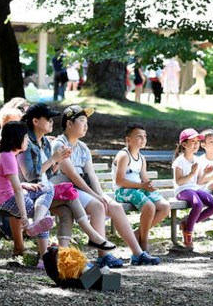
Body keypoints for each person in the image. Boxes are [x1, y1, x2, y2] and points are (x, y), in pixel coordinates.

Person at [50, 105, 156, 267]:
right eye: (82, 121)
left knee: (114, 206)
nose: (86, 125)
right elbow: (72, 176)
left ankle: (138, 253)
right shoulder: (60, 145)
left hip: (77, 190)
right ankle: (103, 255)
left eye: (87, 122)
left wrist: (101, 194)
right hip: (62, 191)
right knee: (98, 205)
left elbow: (91, 175)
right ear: (69, 124)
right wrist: (96, 196)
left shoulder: (83, 148)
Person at [18, 103, 113, 262]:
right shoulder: (26, 144)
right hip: (29, 193)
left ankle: (64, 256)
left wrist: (58, 160)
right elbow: (30, 177)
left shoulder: (46, 143)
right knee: (70, 194)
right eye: (48, 119)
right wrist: (54, 159)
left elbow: (49, 173)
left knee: (66, 211)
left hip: (44, 191)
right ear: (35, 121)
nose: (52, 122)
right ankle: (92, 235)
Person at [0, 121, 55, 257]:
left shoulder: (9, 155)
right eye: (25, 137)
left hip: (6, 194)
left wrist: (24, 185)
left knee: (48, 188)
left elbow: (7, 182)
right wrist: (24, 217)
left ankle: (35, 224)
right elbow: (16, 190)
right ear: (16, 138)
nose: (28, 141)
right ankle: (44, 258)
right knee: (44, 217)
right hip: (4, 199)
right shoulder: (8, 157)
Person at [112, 123, 167, 261]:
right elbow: (119, 180)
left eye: (145, 136)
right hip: (123, 191)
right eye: (139, 137)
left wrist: (149, 185)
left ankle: (137, 234)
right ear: (128, 140)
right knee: (149, 206)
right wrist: (142, 186)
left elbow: (144, 178)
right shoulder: (124, 155)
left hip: (138, 188)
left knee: (165, 207)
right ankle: (144, 242)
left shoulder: (142, 158)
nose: (143, 139)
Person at [172, 128, 213, 250]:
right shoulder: (179, 161)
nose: (196, 145)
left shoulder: (197, 160)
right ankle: (188, 232)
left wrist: (205, 173)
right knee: (198, 204)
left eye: (198, 142)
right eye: (193, 142)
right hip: (182, 190)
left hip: (194, 189)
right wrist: (191, 173)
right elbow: (179, 182)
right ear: (184, 144)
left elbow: (199, 181)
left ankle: (187, 222)